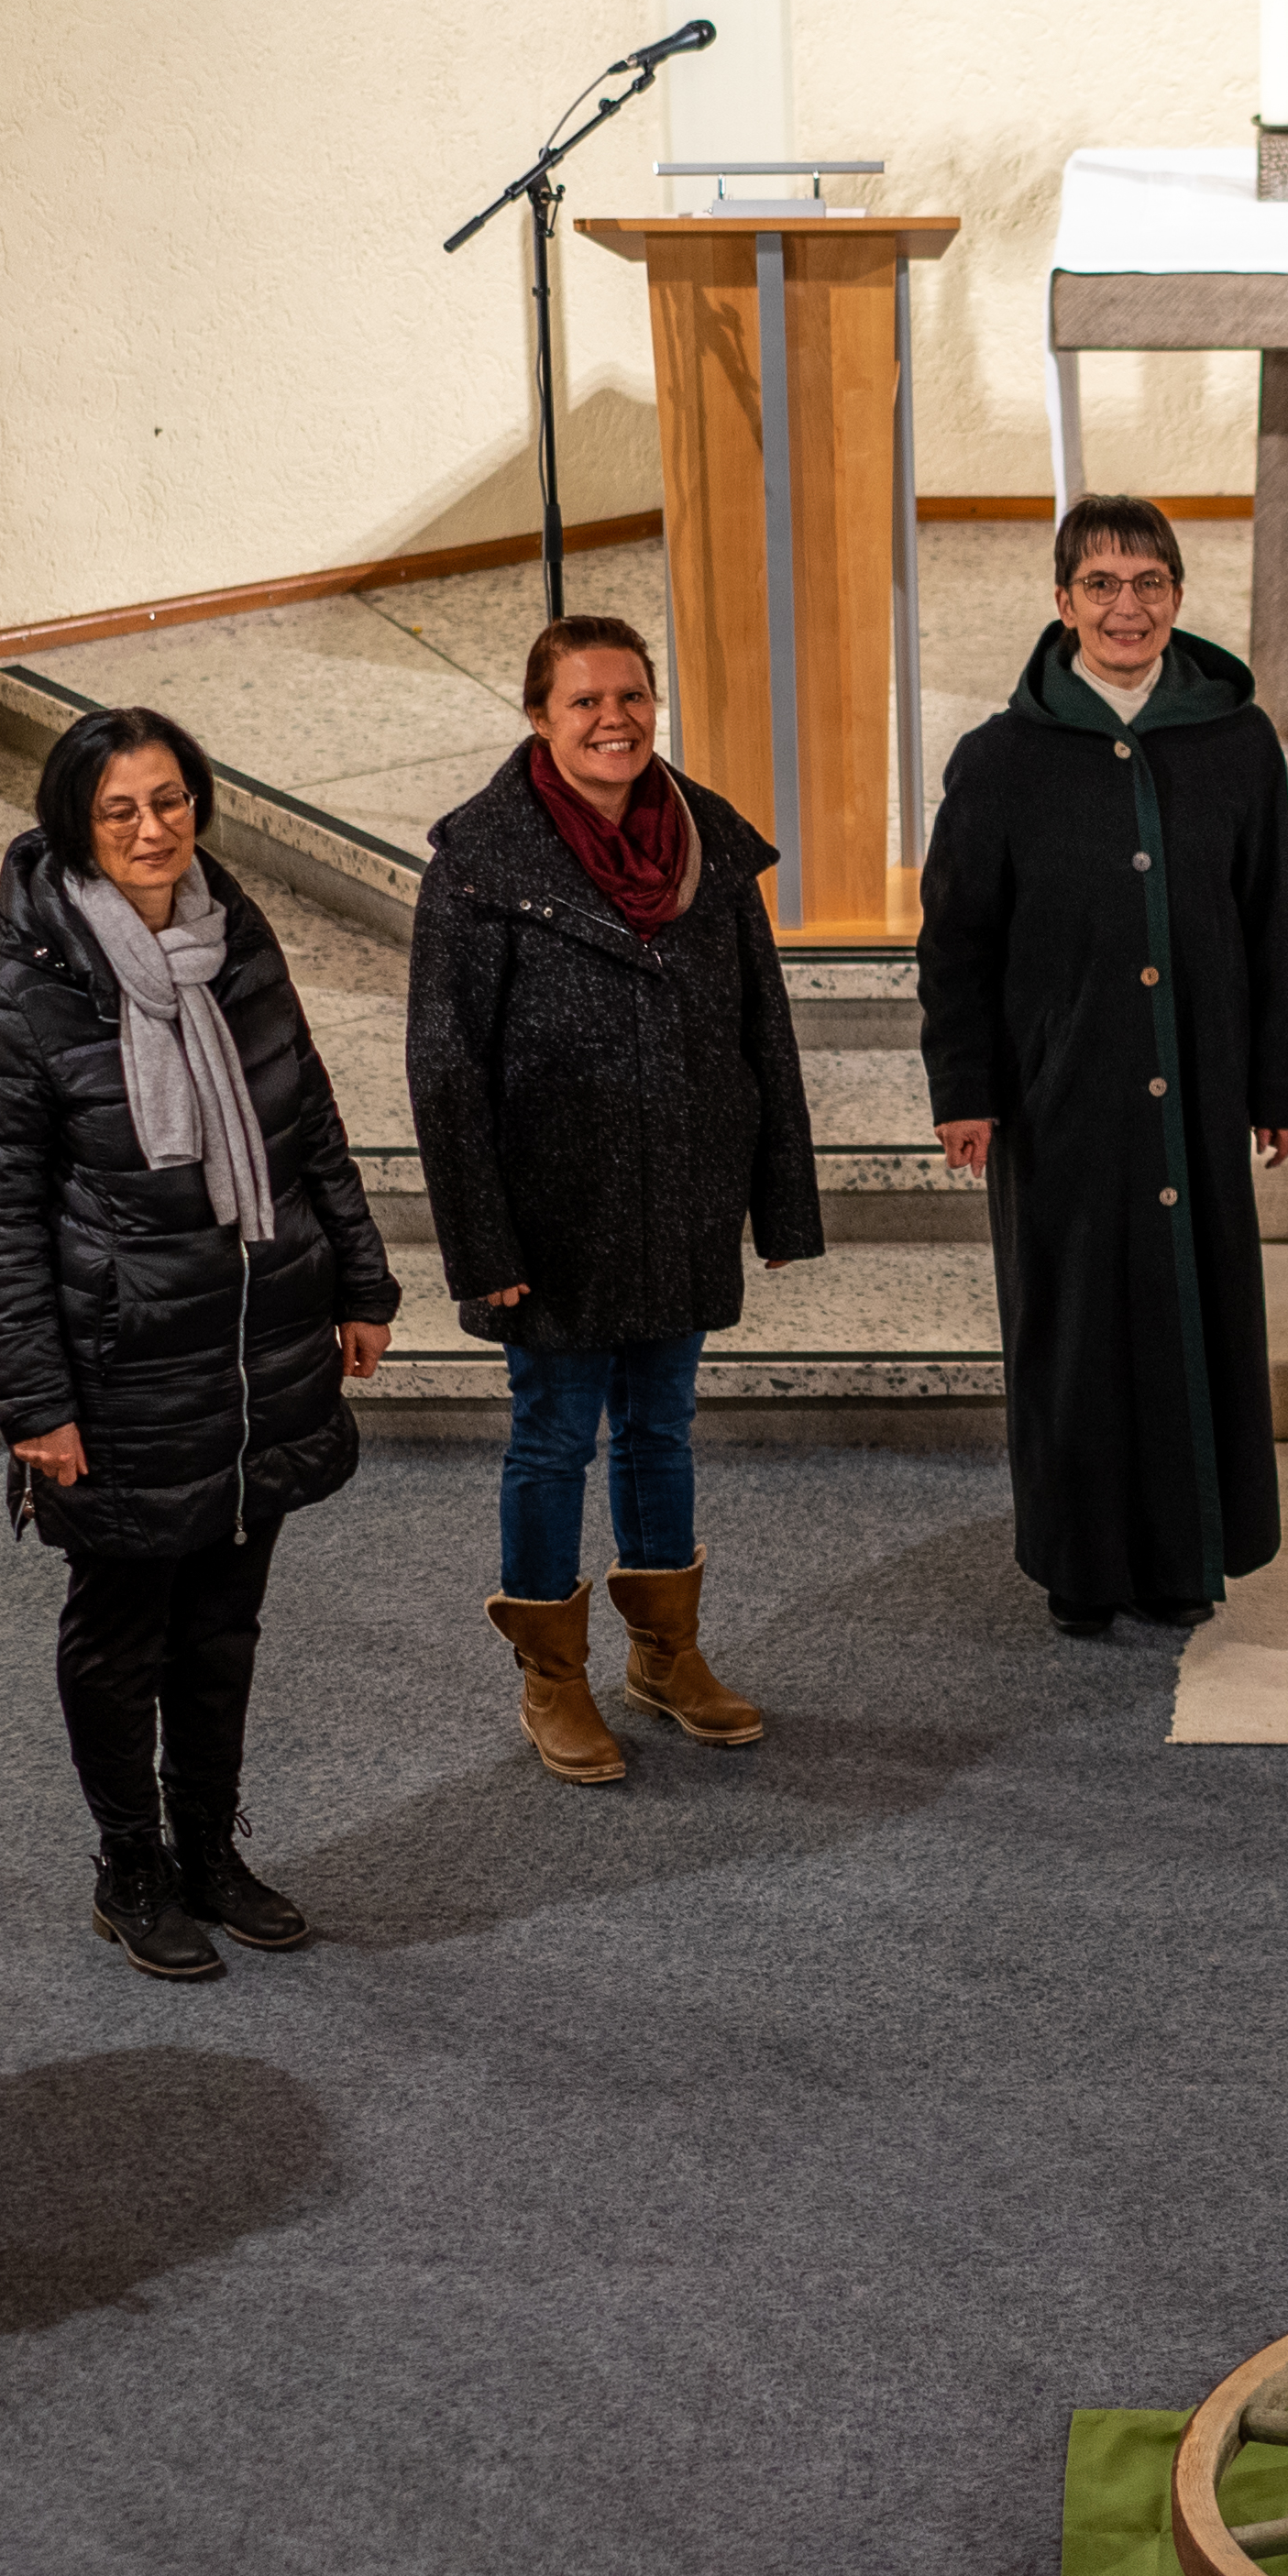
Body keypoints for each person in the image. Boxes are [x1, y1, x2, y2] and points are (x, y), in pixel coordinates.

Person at [0, 706, 399, 1976]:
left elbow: (308, 1124)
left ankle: (210, 1844)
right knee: (123, 1630)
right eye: (121, 811)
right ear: (76, 828)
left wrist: (358, 1281)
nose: (154, 829)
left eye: (171, 800)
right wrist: (35, 1402)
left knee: (224, 1625)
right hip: (122, 1364)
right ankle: (130, 1863)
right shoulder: (18, 992)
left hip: (256, 1343)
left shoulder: (235, 935)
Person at [408, 614, 821, 1775]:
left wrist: (780, 1200)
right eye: (586, 701)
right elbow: (443, 1069)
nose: (615, 720)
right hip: (553, 1216)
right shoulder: (483, 865)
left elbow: (762, 1032)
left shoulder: (708, 847)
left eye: (633, 696)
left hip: (682, 1195)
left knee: (662, 1427)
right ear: (539, 716)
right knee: (552, 1440)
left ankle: (663, 1655)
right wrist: (478, 1241)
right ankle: (553, 1679)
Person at [919, 498, 1288, 1635]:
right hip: (1061, 1098)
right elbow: (957, 943)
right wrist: (968, 1091)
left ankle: (1188, 1555)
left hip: (1196, 1083)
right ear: (1061, 604)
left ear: (1178, 597)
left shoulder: (1237, 742)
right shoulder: (1000, 759)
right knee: (1075, 1329)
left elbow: (1268, 919)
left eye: (1147, 583)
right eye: (1100, 585)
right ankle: (1082, 1568)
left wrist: (1275, 1082)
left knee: (1191, 1315)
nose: (1125, 607)